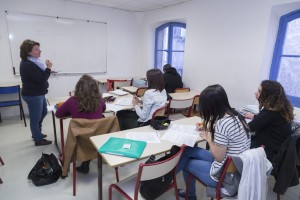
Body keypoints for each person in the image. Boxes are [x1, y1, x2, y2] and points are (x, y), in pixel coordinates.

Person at [176, 84, 251, 200]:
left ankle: (187, 194)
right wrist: (209, 129)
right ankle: (169, 178)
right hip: (236, 166)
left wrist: (210, 139)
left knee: (186, 163)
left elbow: (219, 157)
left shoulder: (223, 124)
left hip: (225, 175)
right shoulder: (236, 115)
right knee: (187, 150)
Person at [55, 74, 106, 174]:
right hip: (98, 138)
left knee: (81, 133)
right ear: (95, 88)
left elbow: (58, 114)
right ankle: (87, 162)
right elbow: (104, 109)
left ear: (78, 88)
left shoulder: (72, 101)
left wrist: (71, 111)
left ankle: (84, 162)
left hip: (80, 140)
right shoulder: (99, 100)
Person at [243, 80, 294, 162]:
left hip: (269, 152)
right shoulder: (280, 108)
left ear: (268, 95)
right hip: (277, 148)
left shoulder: (270, 112)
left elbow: (249, 128)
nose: (255, 93)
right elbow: (268, 119)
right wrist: (254, 116)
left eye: (259, 91)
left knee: (237, 143)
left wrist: (235, 121)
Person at [20, 39, 53, 146]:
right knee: (35, 118)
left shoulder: (34, 62)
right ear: (28, 52)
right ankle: (38, 139)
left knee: (43, 113)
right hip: (33, 95)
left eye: (39, 49)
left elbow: (39, 76)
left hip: (38, 93)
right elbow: (41, 79)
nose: (39, 51)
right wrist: (48, 68)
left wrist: (47, 70)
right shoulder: (28, 64)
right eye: (36, 50)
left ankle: (37, 132)